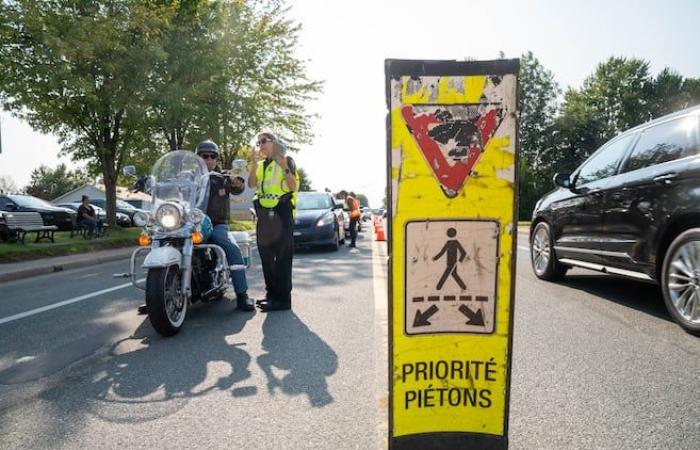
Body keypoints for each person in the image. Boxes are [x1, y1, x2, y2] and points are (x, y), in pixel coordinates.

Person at [197, 140, 255, 311]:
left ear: (217, 159)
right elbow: (170, 185)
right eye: (204, 155)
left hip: (216, 224)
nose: (208, 159)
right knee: (161, 241)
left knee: (231, 247)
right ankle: (157, 295)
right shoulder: (187, 177)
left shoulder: (222, 176)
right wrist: (148, 182)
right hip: (189, 224)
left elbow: (237, 186)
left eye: (212, 156)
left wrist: (237, 182)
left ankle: (242, 295)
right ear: (197, 158)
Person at [248, 131, 298, 311]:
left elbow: (292, 186)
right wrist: (253, 164)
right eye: (258, 142)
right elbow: (251, 184)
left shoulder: (286, 160)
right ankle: (272, 294)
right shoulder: (261, 165)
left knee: (283, 257)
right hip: (264, 214)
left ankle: (283, 300)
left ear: (274, 143)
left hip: (281, 213)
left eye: (264, 141)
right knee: (266, 257)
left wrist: (284, 167)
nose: (260, 145)